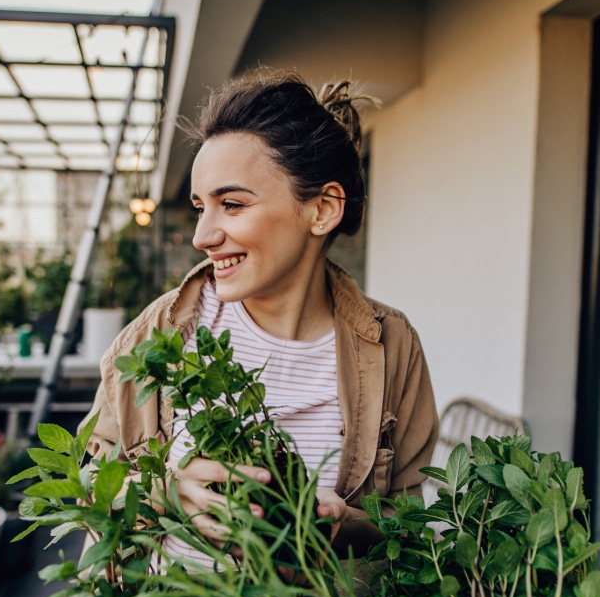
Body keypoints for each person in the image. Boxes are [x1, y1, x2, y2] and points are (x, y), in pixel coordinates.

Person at [83, 69, 438, 565]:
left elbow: (407, 523)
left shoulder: (393, 345)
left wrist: (345, 525)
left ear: (323, 209)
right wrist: (165, 492)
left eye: (231, 204)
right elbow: (86, 485)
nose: (201, 235)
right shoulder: (157, 336)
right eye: (200, 207)